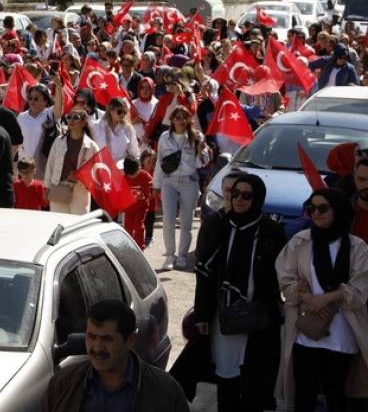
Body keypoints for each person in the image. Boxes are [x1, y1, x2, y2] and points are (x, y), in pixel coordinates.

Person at [177, 173, 285, 411]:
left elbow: (279, 274)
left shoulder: (270, 230)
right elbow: (204, 273)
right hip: (224, 316)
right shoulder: (219, 225)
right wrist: (202, 315)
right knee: (226, 374)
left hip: (258, 317)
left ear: (257, 198)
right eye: (235, 194)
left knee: (256, 375)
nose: (239, 200)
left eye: (246, 195)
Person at [275, 189, 368, 412]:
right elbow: (285, 280)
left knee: (336, 395)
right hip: (305, 331)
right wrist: (307, 298)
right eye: (311, 209)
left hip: (342, 333)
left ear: (338, 211)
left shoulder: (357, 247)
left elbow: (359, 290)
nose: (316, 213)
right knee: (304, 396)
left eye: (323, 208)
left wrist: (326, 299)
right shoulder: (301, 241)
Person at [41, 300, 189, 412]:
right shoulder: (63, 384)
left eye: (107, 339)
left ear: (130, 340)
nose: (97, 348)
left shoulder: (165, 392)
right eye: (91, 337)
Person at [155, 106, 211, 271]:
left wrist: (201, 151)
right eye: (177, 117)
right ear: (172, 120)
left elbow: (202, 163)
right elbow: (159, 161)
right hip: (169, 181)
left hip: (189, 182)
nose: (181, 120)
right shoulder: (164, 137)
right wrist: (156, 185)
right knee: (168, 220)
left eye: (184, 117)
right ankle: (170, 255)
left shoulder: (196, 137)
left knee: (186, 222)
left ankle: (182, 256)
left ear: (189, 120)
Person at [43, 108, 101, 215]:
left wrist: (80, 176)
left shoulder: (92, 146)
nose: (71, 120)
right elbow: (50, 164)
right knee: (58, 221)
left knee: (78, 222)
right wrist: (46, 186)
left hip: (80, 190)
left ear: (84, 122)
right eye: (69, 117)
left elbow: (97, 172)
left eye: (75, 118)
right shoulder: (59, 141)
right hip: (59, 187)